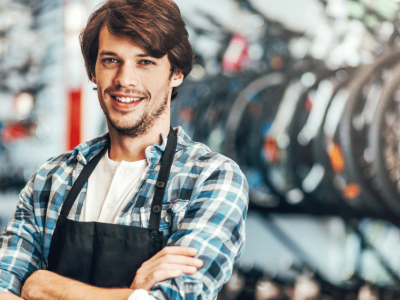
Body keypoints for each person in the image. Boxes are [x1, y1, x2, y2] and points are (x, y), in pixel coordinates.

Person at [0, 0, 249, 299]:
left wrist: (41, 285)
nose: (124, 80)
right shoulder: (51, 179)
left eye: (145, 62)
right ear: (93, 72)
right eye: (110, 60)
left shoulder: (211, 178)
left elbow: (174, 297)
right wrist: (132, 294)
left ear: (177, 72)